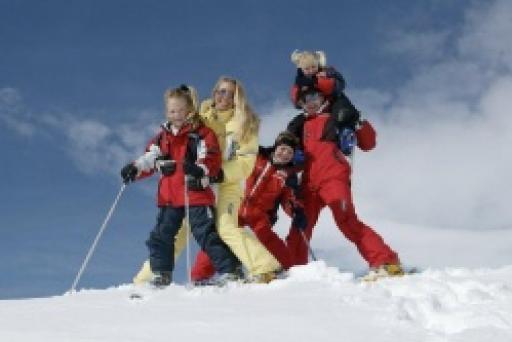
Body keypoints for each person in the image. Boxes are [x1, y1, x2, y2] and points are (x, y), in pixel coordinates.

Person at [133, 77, 281, 285]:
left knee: (225, 226)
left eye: (230, 93)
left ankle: (265, 268)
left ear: (238, 98)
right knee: (177, 232)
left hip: (225, 183)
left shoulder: (245, 124)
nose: (224, 97)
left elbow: (246, 162)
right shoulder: (201, 115)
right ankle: (145, 279)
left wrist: (219, 173)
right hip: (196, 183)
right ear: (213, 92)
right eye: (220, 91)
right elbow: (175, 138)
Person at [121, 85, 240, 286]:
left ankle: (231, 270)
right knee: (161, 235)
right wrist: (135, 168)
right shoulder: (162, 137)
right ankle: (161, 273)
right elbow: (150, 158)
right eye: (172, 111)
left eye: (181, 111)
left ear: (190, 110)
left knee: (204, 233)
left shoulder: (201, 133)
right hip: (169, 196)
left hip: (195, 193)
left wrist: (199, 169)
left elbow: (211, 156)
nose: (176, 115)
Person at [286, 86, 403, 280]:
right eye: (305, 99)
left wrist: (357, 120)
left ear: (323, 97)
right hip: (308, 183)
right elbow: (288, 159)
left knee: (346, 219)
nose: (311, 101)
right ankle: (293, 271)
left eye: (315, 96)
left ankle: (386, 261)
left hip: (333, 177)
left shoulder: (337, 117)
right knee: (299, 227)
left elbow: (369, 143)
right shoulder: (299, 126)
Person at [238, 131, 306, 271]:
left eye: (289, 152)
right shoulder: (258, 158)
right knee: (224, 236)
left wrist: (296, 211)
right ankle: (201, 275)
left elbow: (289, 199)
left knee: (269, 239)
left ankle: (290, 269)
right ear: (275, 148)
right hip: (239, 207)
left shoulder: (286, 176)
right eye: (282, 149)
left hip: (259, 214)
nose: (285, 154)